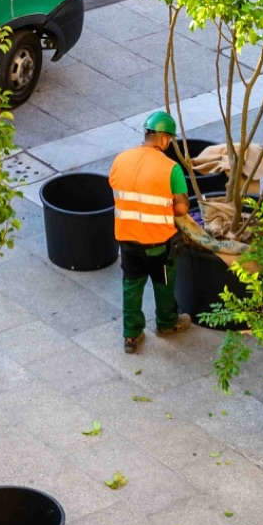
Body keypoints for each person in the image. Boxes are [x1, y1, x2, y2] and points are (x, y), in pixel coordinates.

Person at [108, 110, 194, 354]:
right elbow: (181, 208)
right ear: (165, 138)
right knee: (163, 282)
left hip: (127, 240)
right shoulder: (171, 169)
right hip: (158, 244)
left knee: (131, 285)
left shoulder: (121, 159)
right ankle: (167, 323)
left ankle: (131, 334)